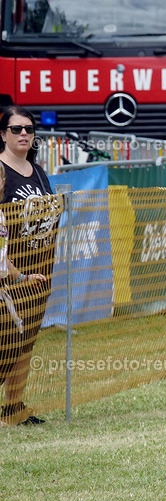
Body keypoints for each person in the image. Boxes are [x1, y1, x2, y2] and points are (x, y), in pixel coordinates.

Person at [0, 107, 57, 424]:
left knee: (26, 344)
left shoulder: (37, 171)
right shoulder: (0, 171)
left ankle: (14, 408)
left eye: (29, 129)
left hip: (40, 274)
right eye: (16, 128)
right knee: (7, 343)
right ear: (3, 134)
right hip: (11, 275)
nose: (24, 134)